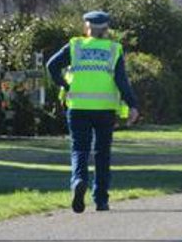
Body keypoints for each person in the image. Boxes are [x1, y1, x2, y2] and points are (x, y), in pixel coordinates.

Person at [47, 11, 139, 213]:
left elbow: (51, 65)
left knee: (79, 149)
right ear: (106, 30)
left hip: (78, 107)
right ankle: (101, 200)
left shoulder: (75, 46)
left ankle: (78, 180)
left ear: (86, 28)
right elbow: (122, 81)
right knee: (102, 153)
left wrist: (64, 84)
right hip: (105, 110)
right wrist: (133, 105)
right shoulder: (113, 49)